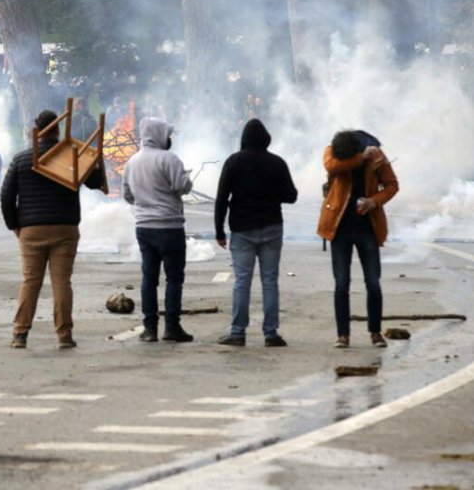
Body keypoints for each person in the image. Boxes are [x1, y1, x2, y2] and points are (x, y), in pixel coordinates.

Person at [0, 110, 106, 349]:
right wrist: (97, 162)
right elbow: (94, 182)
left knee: (30, 282)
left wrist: (15, 225)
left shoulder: (21, 159)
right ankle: (64, 335)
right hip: (65, 228)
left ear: (36, 130)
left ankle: (20, 334)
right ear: (57, 130)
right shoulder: (71, 156)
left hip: (31, 229)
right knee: (62, 283)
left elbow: (6, 197)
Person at [214, 119, 298, 347]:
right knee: (270, 281)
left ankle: (237, 332)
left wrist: (219, 231)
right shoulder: (277, 163)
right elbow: (291, 196)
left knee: (242, 281)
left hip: (242, 229)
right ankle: (271, 334)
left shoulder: (234, 161)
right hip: (271, 227)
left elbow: (221, 198)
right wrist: (270, 193)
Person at [317, 130, 399, 349]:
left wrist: (374, 201)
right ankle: (343, 334)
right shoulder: (333, 152)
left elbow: (392, 185)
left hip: (368, 228)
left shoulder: (377, 156)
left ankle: (375, 332)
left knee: (373, 283)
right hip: (339, 227)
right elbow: (333, 167)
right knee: (341, 284)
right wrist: (361, 158)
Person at [122, 117, 194, 343]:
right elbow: (183, 186)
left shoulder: (131, 162)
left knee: (149, 278)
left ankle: (149, 328)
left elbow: (128, 195)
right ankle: (172, 328)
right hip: (169, 226)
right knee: (173, 279)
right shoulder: (169, 159)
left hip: (144, 227)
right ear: (159, 135)